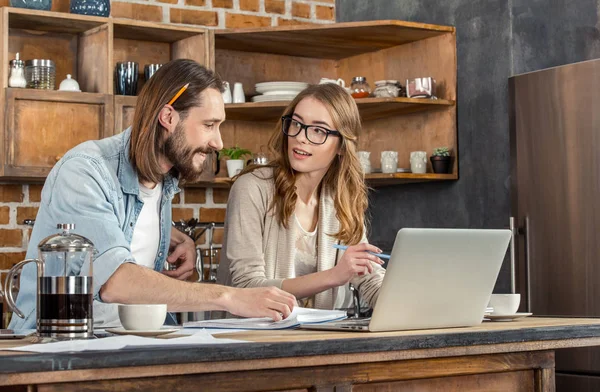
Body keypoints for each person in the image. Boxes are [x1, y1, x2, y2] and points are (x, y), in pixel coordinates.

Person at [9, 59, 295, 330]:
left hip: (131, 341)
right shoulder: (85, 169)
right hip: (58, 346)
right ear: (168, 117)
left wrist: (168, 233)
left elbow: (121, 225)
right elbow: (115, 282)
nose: (218, 142)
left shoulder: (163, 178)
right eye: (209, 125)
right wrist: (230, 297)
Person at [218, 83, 385, 310]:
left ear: (342, 146)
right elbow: (248, 286)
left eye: (318, 130)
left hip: (316, 338)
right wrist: (334, 275)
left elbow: (370, 279)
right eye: (296, 123)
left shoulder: (340, 201)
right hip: (254, 338)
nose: (301, 137)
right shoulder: (252, 188)